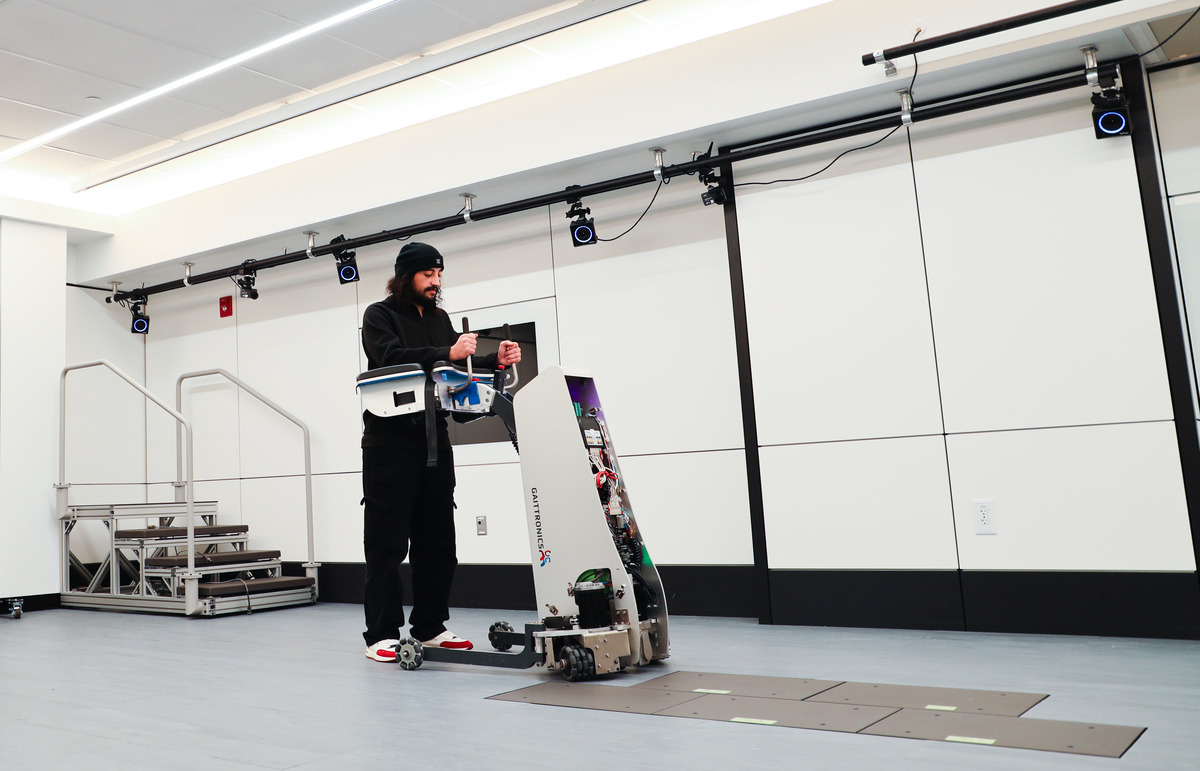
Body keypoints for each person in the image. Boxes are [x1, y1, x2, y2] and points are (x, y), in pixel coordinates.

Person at [359, 242, 522, 662]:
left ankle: (430, 627)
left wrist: (495, 360)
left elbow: (455, 370)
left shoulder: (440, 319)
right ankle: (381, 634)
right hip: (389, 448)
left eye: (439, 275)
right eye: (428, 275)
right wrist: (448, 352)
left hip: (435, 446)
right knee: (387, 546)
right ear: (405, 276)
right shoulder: (379, 316)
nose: (436, 283)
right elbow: (390, 358)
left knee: (438, 545)